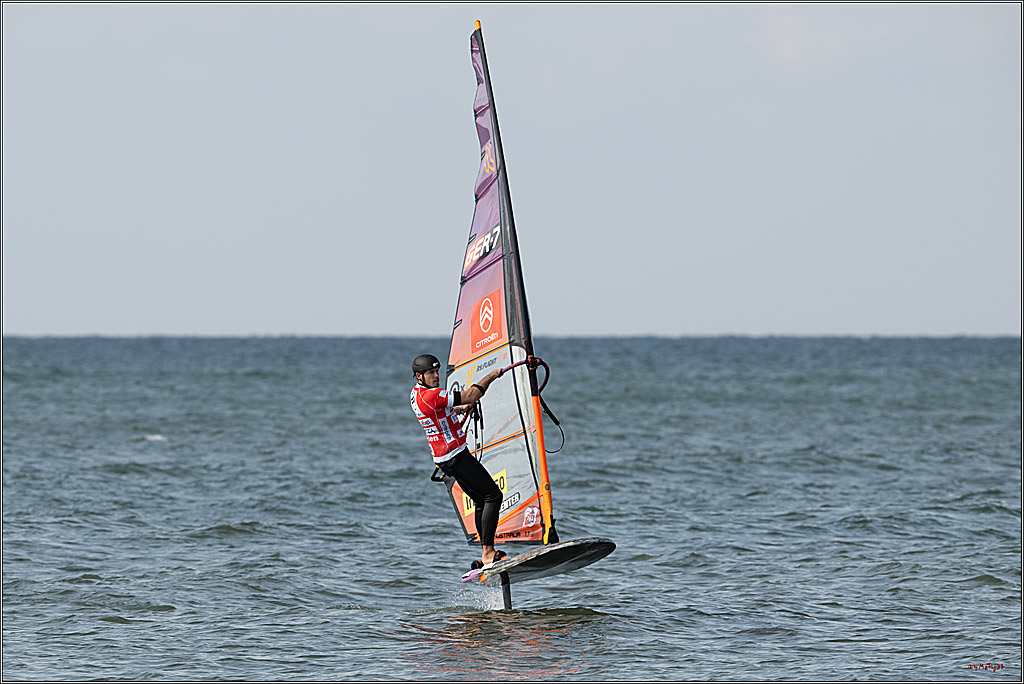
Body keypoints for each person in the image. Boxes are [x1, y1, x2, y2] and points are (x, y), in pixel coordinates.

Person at [409, 353, 507, 568]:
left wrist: (459, 409)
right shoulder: (432, 395)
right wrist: (492, 375)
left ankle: (485, 554)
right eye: (430, 373)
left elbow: (439, 411)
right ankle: (489, 552)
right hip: (455, 456)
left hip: (446, 458)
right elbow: (471, 395)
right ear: (419, 376)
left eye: (437, 371)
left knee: (482, 499)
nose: (436, 376)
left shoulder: (417, 394)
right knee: (493, 495)